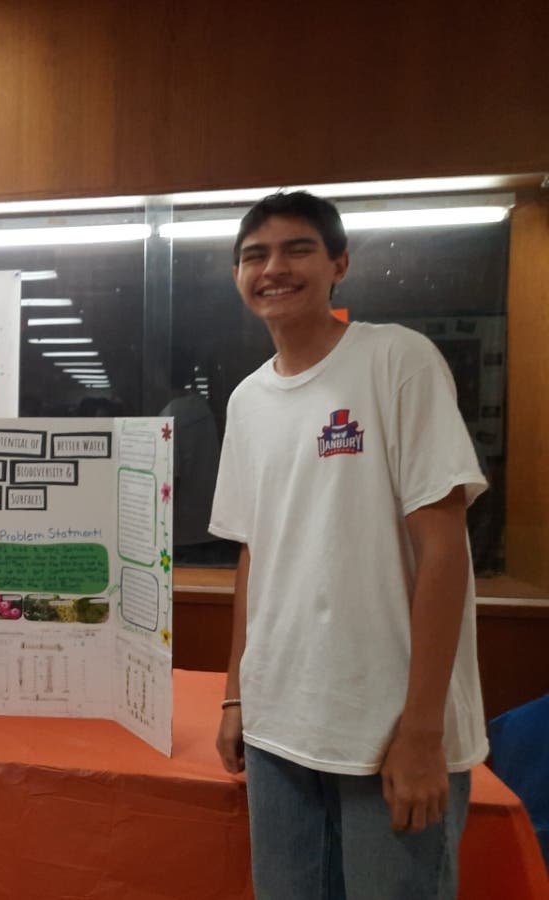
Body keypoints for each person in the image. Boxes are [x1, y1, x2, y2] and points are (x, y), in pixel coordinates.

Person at [209, 191, 488, 899]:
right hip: (279, 726)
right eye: (254, 255)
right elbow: (254, 553)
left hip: (389, 728)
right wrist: (237, 698)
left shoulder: (398, 360)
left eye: (297, 248)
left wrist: (422, 731)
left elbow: (445, 548)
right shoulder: (246, 401)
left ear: (339, 263)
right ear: (239, 276)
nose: (273, 267)